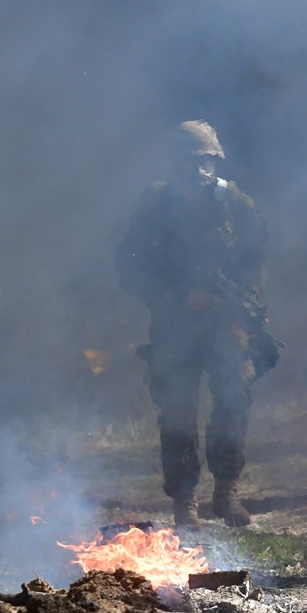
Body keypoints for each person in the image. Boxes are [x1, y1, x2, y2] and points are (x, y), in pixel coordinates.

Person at [114, 120, 277, 529]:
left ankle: (226, 491)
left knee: (233, 402)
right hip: (175, 326)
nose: (201, 171)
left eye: (207, 161)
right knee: (177, 412)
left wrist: (238, 298)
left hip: (225, 326)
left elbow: (256, 257)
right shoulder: (155, 202)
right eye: (192, 162)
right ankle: (184, 500)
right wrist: (172, 296)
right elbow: (128, 265)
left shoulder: (235, 201)